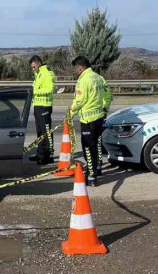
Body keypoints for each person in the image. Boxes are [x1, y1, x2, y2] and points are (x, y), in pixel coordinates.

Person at [67, 56, 112, 186]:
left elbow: (80, 100)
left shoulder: (83, 80)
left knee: (88, 148)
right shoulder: (98, 78)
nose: (76, 71)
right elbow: (107, 95)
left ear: (80, 68)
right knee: (96, 145)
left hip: (88, 119)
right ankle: (97, 169)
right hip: (98, 117)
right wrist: (104, 110)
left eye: (76, 69)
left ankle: (91, 176)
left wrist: (70, 114)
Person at [29, 55, 56, 165]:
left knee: (46, 132)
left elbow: (49, 89)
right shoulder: (38, 73)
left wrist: (34, 92)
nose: (32, 69)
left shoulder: (47, 72)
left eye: (33, 66)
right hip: (37, 105)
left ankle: (48, 155)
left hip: (45, 105)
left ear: (38, 63)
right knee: (39, 132)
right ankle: (40, 153)